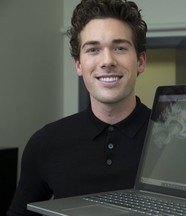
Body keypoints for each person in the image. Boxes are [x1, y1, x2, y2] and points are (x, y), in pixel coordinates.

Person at [7, 0, 150, 215]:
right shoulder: (44, 143)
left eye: (120, 48)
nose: (107, 61)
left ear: (140, 61)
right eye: (93, 49)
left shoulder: (175, 140)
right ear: (78, 65)